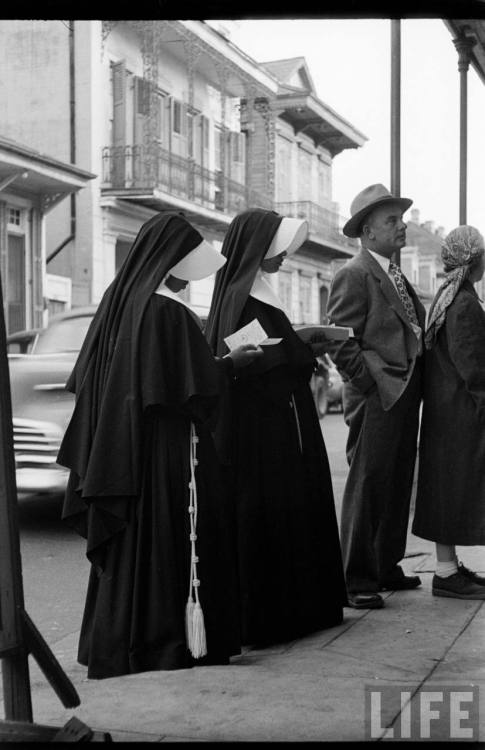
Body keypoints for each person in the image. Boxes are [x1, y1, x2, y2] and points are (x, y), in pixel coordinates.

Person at [57, 210, 263, 679]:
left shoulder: (119, 303)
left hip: (124, 452)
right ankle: (167, 642)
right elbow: (196, 386)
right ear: (171, 261)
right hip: (170, 451)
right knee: (176, 538)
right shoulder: (167, 311)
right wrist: (231, 364)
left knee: (133, 545)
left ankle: (118, 643)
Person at [204, 207, 347, 647]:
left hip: (278, 419)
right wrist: (302, 351)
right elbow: (251, 364)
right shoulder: (243, 297)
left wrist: (299, 347)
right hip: (259, 427)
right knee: (265, 511)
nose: (284, 256)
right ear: (257, 248)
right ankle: (272, 617)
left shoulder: (255, 292)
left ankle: (297, 609)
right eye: (278, 248)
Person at [325, 184, 426, 609]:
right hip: (378, 395)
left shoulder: (393, 273)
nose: (401, 226)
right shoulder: (355, 273)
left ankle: (386, 564)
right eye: (392, 221)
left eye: (400, 219)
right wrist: (370, 384)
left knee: (397, 482)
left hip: (402, 394)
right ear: (368, 232)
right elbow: (340, 339)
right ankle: (356, 578)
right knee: (368, 485)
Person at [412, 225, 485, 599]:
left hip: (446, 410)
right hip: (462, 412)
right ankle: (446, 574)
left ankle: (447, 568)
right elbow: (473, 365)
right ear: (474, 260)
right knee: (458, 491)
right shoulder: (465, 303)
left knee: (447, 490)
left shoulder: (446, 296)